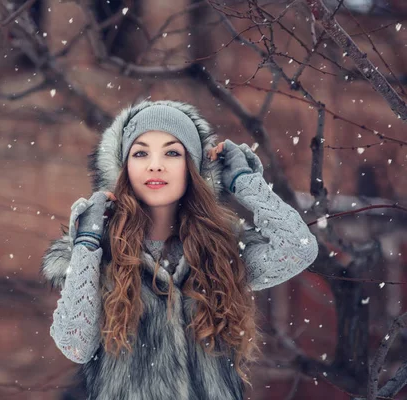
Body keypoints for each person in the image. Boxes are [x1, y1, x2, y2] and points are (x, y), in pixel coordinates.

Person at [40, 100, 318, 400]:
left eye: (172, 152)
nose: (155, 164)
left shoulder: (221, 250)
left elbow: (297, 248)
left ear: (194, 168)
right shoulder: (99, 255)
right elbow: (75, 344)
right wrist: (86, 244)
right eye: (140, 153)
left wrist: (245, 182)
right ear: (123, 168)